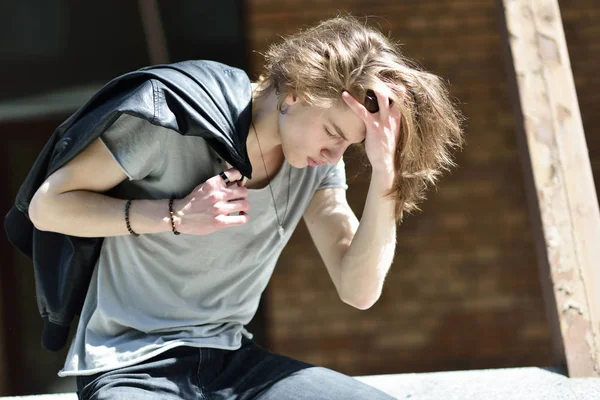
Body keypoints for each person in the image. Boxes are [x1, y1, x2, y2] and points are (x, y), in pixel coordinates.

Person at [14, 15, 463, 399]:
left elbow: (358, 289)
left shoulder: (312, 165)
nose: (335, 154)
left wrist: (387, 178)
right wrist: (174, 215)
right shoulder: (173, 120)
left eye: (350, 144)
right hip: (130, 363)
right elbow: (48, 206)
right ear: (295, 95)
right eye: (333, 131)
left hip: (231, 361)